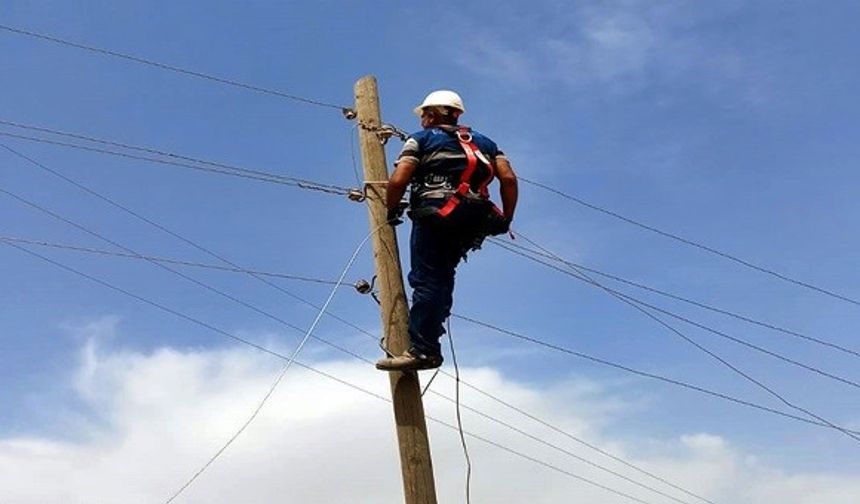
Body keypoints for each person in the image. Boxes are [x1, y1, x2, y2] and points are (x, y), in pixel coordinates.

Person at [375, 90, 518, 372]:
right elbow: (509, 179)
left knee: (427, 280)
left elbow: (398, 181)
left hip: (437, 213)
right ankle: (431, 333)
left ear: (432, 114)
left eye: (425, 114)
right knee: (442, 276)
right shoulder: (487, 143)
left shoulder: (422, 138)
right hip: (476, 216)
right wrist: (506, 218)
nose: (424, 119)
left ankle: (424, 349)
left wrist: (391, 210)